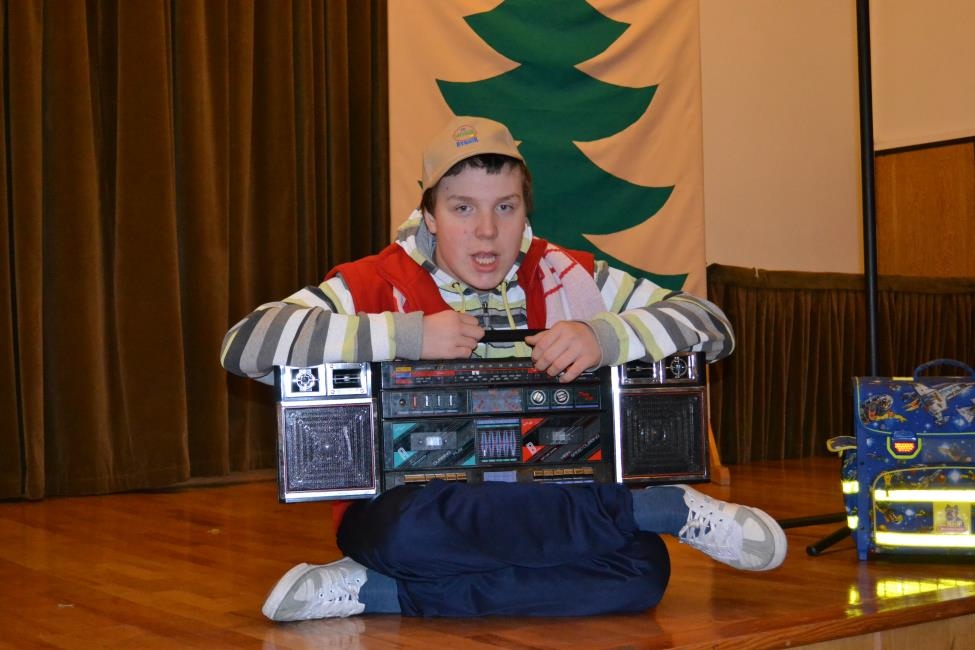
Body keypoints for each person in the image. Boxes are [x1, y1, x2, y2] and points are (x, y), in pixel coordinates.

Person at [221, 115, 787, 620]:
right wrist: (407, 334)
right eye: (463, 208)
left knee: (642, 573)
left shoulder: (569, 275)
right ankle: (655, 507)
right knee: (402, 534)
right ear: (430, 215)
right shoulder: (373, 283)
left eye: (505, 208)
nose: (487, 231)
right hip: (420, 505)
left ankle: (382, 591)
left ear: (525, 211)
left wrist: (603, 337)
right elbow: (245, 346)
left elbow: (712, 327)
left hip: (554, 489)